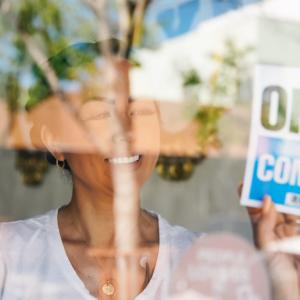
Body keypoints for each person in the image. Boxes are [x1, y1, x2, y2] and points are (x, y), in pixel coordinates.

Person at [0, 41, 199, 300]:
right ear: (56, 143)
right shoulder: (9, 255)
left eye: (139, 110)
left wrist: (271, 269)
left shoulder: (202, 262)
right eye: (102, 115)